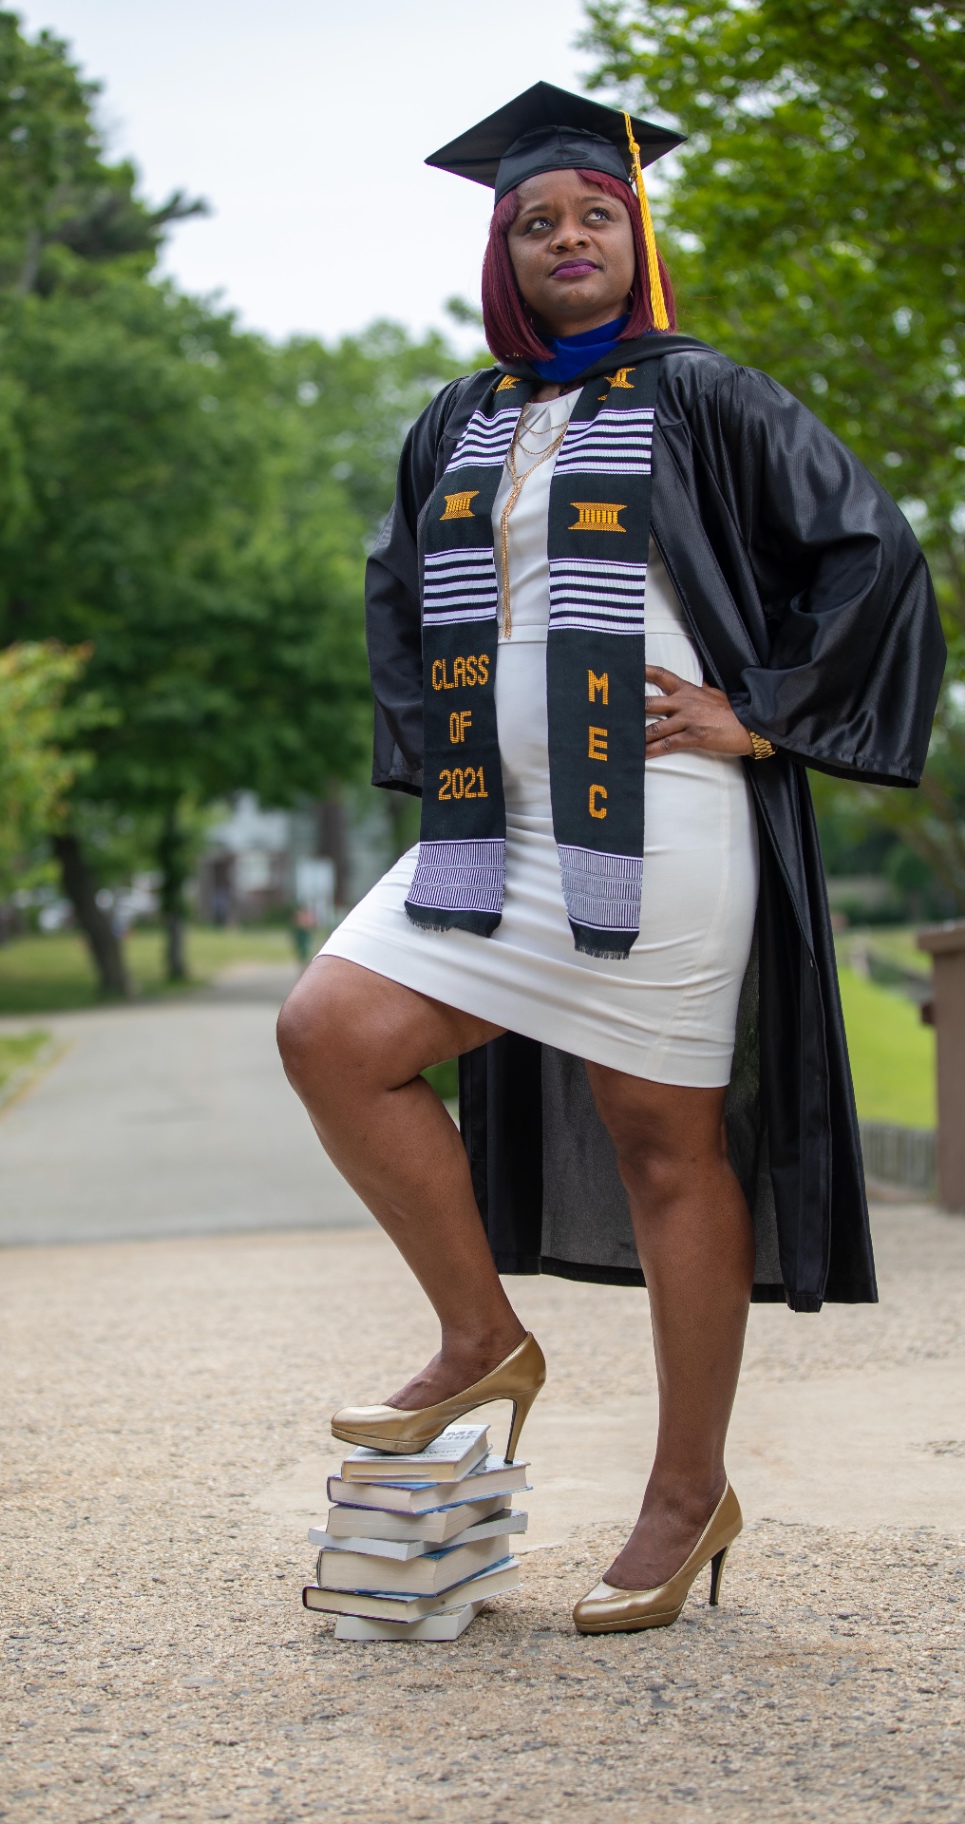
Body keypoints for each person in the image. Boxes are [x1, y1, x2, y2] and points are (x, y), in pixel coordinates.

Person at [277, 83, 944, 1634]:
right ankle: (480, 1338)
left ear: (634, 240)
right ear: (501, 253)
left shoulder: (706, 395)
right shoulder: (462, 418)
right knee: (331, 1031)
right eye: (536, 221)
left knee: (662, 1146)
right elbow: (400, 598)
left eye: (595, 215)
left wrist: (759, 715)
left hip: (656, 822)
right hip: (486, 826)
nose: (566, 238)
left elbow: (873, 555)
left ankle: (683, 1493)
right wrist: (441, 753)